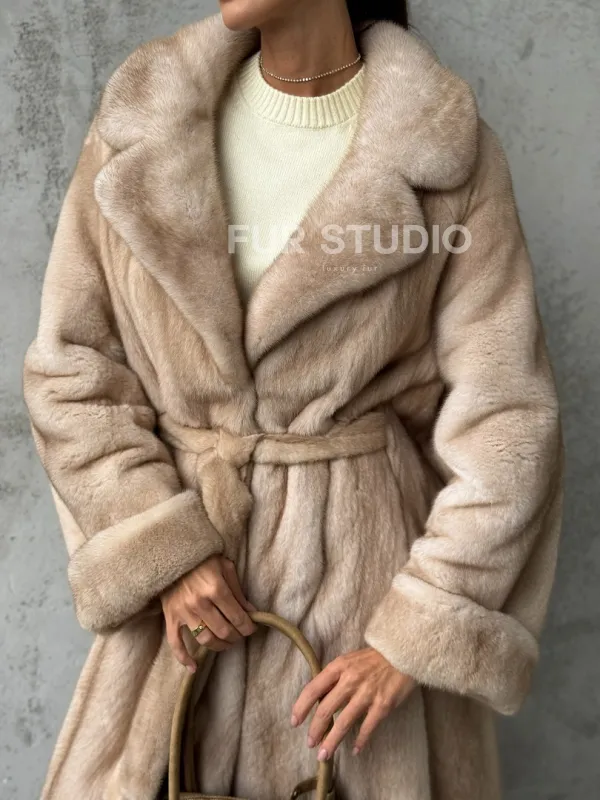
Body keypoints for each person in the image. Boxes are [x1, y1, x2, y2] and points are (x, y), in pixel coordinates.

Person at [22, 1, 565, 798]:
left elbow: (508, 418)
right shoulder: (142, 127)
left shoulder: (445, 155)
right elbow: (72, 371)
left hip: (362, 619)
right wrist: (162, 552)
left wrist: (419, 632)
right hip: (180, 631)